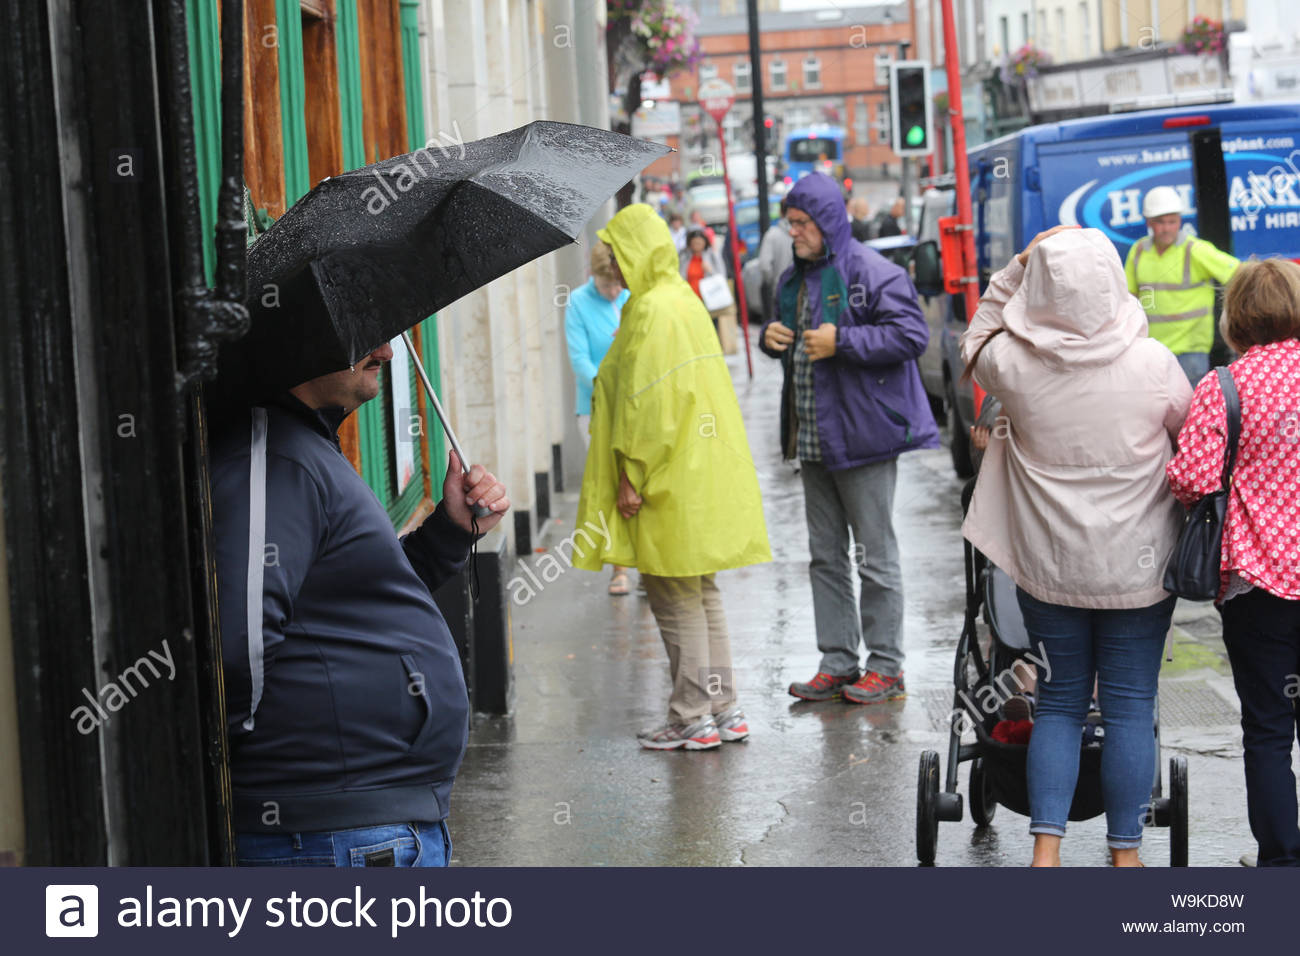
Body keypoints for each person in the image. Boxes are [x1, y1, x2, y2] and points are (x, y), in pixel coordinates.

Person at [210, 343, 511, 867]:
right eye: (363, 337)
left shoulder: (306, 449)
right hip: (331, 834)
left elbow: (354, 595)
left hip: (366, 826)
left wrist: (448, 532)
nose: (386, 351)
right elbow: (239, 643)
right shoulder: (275, 458)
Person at [962, 225, 1192, 867]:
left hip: (1049, 570)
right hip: (1139, 572)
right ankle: (1124, 855)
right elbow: (1195, 437)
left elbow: (974, 336)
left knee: (1059, 702)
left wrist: (1016, 267)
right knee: (1127, 706)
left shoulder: (1015, 365)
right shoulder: (1153, 364)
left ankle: (1045, 851)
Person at [573, 204, 771, 750]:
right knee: (702, 591)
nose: (608, 264)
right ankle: (724, 707)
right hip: (697, 472)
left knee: (673, 594)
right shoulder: (679, 300)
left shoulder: (650, 311)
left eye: (613, 254)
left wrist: (632, 476)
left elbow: (648, 406)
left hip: (666, 477)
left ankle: (691, 717)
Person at [758, 172, 938, 705]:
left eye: (801, 224)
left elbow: (912, 335)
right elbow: (786, 339)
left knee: (875, 556)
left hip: (864, 438)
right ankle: (838, 661)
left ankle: (886, 666)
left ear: (828, 222)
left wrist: (845, 340)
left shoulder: (873, 271)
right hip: (812, 438)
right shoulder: (793, 280)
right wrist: (773, 340)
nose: (793, 233)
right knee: (826, 557)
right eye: (790, 224)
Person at [1167, 257, 1300, 867]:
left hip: (1260, 586)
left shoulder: (1224, 388)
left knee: (1269, 726)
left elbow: (1192, 480)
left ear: (1236, 317)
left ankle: (1280, 860)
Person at [565, 242, 633, 595]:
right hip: (594, 408)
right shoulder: (577, 302)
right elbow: (580, 362)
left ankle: (647, 561)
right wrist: (609, 388)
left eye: (619, 284)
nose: (615, 291)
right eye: (609, 286)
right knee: (611, 485)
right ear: (594, 277)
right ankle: (619, 568)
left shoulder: (630, 297)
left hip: (633, 405)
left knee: (638, 482)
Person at [1124, 185, 1240, 386]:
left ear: (1180, 220)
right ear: (1149, 222)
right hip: (1151, 350)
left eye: (1172, 221)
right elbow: (1129, 297)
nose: (1167, 228)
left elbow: (1240, 273)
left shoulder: (1195, 250)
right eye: (1160, 222)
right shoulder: (1139, 251)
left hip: (1190, 352)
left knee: (1189, 413)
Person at [757, 199, 793, 323]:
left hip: (780, 290)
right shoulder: (807, 232)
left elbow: (764, 266)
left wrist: (773, 282)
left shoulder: (772, 235)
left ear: (780, 212)